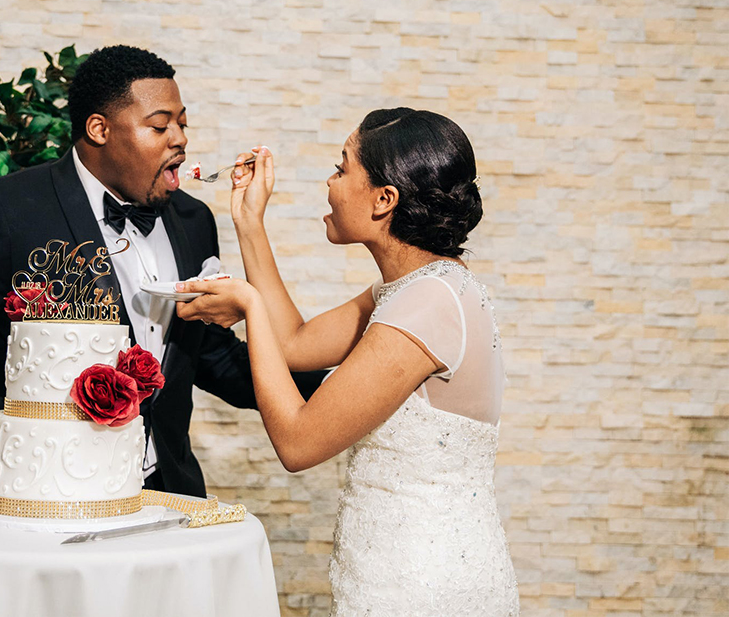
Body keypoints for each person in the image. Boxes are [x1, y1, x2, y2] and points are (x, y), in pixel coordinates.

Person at [0, 45, 324, 496]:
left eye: (182, 123)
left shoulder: (193, 221)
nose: (180, 139)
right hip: (39, 493)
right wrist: (29, 431)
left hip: (166, 495)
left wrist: (331, 382)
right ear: (99, 129)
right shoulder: (8, 211)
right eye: (159, 125)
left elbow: (208, 356)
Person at [177, 108, 520, 615]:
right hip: (396, 564)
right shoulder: (414, 289)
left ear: (385, 199)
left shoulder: (427, 305)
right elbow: (293, 343)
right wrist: (249, 223)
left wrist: (249, 303)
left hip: (421, 582)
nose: (330, 184)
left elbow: (298, 442)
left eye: (341, 169)